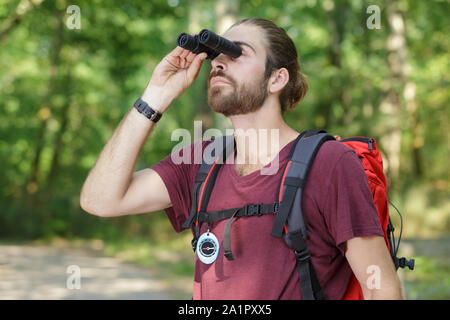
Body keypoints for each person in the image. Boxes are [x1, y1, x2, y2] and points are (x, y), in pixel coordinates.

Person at [80, 18, 403, 300]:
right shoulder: (201, 160)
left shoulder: (330, 162)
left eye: (237, 53)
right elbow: (100, 200)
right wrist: (156, 94)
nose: (218, 63)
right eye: (216, 55)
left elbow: (380, 287)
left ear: (277, 79)